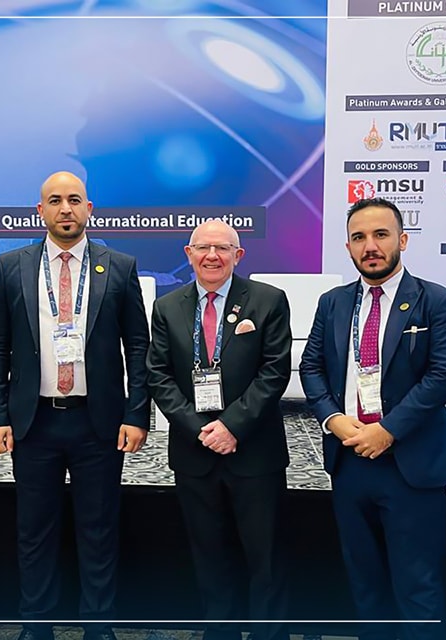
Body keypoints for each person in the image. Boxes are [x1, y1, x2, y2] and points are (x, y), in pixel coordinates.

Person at [0, 171, 150, 640]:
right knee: (34, 531)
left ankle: (99, 626)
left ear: (88, 208)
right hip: (34, 423)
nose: (65, 209)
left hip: (99, 423)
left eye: (74, 200)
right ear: (41, 211)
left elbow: (138, 347)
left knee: (99, 530)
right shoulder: (11, 265)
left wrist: (137, 414)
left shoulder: (119, 266)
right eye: (54, 201)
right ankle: (36, 626)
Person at [299, 197, 446, 640]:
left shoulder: (436, 301)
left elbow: (445, 374)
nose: (370, 246)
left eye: (380, 235)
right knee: (365, 586)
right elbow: (311, 367)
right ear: (348, 247)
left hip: (410, 465)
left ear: (402, 240)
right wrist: (332, 419)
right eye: (359, 237)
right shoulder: (333, 303)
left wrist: (388, 430)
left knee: (417, 588)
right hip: (349, 461)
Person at [146, 220, 292, 640]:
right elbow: (158, 375)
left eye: (223, 248)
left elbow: (274, 372)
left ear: (238, 255)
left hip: (254, 452)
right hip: (195, 454)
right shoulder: (167, 307)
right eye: (203, 248)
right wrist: (199, 429)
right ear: (188, 254)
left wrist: (231, 426)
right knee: (209, 556)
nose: (212, 256)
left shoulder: (268, 300)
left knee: (266, 558)